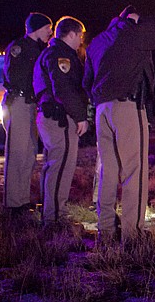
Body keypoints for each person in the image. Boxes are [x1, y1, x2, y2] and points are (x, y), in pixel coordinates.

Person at [83, 5, 155, 245]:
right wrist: (139, 20)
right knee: (135, 172)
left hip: (102, 111)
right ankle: (132, 234)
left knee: (107, 171)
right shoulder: (132, 33)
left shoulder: (97, 42)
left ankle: (105, 229)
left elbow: (86, 81)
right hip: (128, 107)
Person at [33, 16, 90, 229]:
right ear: (72, 34)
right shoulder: (60, 55)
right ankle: (55, 219)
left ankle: (50, 214)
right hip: (60, 119)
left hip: (52, 117)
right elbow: (64, 89)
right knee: (61, 167)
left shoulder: (53, 53)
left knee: (53, 166)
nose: (81, 41)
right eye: (80, 36)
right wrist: (80, 117)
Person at [1, 12, 53, 218]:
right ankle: (14, 205)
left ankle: (21, 200)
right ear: (38, 28)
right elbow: (15, 77)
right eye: (48, 28)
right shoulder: (19, 48)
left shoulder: (39, 49)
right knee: (18, 153)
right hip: (20, 103)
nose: (50, 32)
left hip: (31, 104)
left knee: (29, 153)